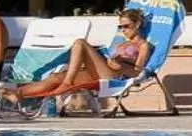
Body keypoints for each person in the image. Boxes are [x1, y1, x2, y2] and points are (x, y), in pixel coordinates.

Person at [17, 8, 151, 100]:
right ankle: (18, 93)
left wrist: (119, 66)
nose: (123, 30)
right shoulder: (121, 43)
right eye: (120, 27)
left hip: (115, 75)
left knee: (80, 43)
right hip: (102, 69)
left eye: (126, 26)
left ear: (137, 24)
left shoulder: (143, 45)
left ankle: (68, 82)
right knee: (57, 78)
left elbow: (136, 72)